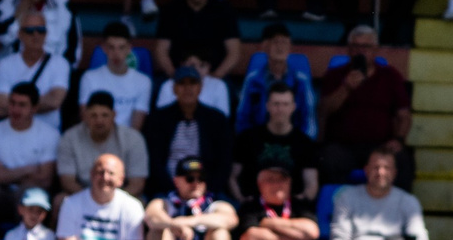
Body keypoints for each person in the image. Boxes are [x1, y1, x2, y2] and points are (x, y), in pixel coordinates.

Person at [318, 24, 414, 185]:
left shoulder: (390, 76)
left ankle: (399, 208)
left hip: (381, 147)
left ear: (376, 50)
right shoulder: (335, 75)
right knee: (327, 159)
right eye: (355, 46)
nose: (360, 51)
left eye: (366, 47)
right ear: (348, 49)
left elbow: (404, 116)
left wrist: (398, 139)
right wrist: (346, 88)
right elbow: (323, 111)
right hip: (343, 147)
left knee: (402, 161)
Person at [0, 83, 60, 240]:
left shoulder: (49, 134)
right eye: (12, 103)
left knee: (27, 191)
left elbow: (45, 179)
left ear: (34, 108)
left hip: (27, 195)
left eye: (22, 105)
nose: (15, 109)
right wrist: (27, 170)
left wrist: (2, 172)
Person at [142, 67, 235, 196]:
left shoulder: (217, 120)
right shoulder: (157, 120)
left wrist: (208, 191)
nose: (187, 88)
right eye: (182, 84)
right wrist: (171, 191)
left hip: (208, 192)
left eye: (192, 83)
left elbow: (224, 163)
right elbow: (154, 161)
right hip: (166, 191)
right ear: (174, 88)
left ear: (200, 87)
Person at [232, 79, 320, 206]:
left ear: (293, 107)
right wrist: (240, 199)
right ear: (267, 106)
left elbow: (311, 184)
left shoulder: (305, 143)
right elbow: (233, 176)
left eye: (285, 104)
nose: (280, 109)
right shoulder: (247, 138)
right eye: (276, 104)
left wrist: (301, 202)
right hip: (255, 207)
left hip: (292, 208)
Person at [59, 92, 147, 198]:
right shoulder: (70, 137)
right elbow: (67, 181)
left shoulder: (133, 138)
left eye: (104, 115)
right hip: (82, 195)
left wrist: (111, 202)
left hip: (121, 196)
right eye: (94, 115)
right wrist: (92, 200)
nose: (99, 121)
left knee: (141, 203)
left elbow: (137, 184)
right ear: (85, 116)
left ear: (114, 115)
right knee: (60, 200)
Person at [78, 23, 156, 134]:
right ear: (104, 48)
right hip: (96, 139)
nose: (116, 53)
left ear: (129, 48)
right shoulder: (89, 78)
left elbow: (136, 127)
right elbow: (86, 118)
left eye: (121, 47)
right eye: (111, 47)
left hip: (127, 143)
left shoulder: (143, 82)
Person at [0, 15, 73, 121]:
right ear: (20, 34)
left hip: (48, 132)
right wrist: (39, 102)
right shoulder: (4, 64)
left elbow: (54, 101)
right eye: (30, 30)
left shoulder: (60, 63)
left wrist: (14, 104)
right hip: (11, 131)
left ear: (46, 34)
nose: (36, 35)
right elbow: (0, 105)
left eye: (41, 30)